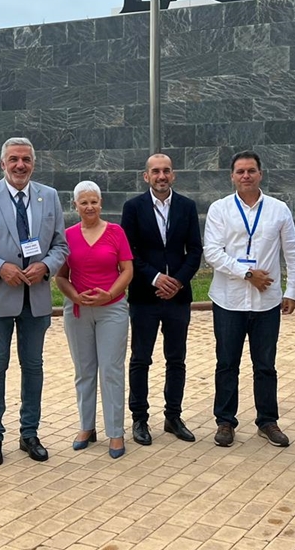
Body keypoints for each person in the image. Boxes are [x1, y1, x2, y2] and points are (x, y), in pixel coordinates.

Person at [0, 137, 69, 466]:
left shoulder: (49, 196)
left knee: (33, 367)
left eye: (26, 159)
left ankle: (29, 433)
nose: (20, 165)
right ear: (2, 164)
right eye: (14, 159)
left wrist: (46, 266)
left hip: (35, 299)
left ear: (33, 164)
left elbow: (61, 246)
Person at [203, 151, 295, 448]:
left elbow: (293, 252)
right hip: (228, 300)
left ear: (260, 174)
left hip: (266, 302)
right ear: (232, 176)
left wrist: (293, 291)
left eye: (251, 171)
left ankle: (267, 421)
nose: (245, 176)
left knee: (265, 365)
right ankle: (225, 421)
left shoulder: (278, 209)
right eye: (240, 171)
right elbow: (212, 252)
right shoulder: (220, 209)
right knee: (227, 363)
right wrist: (247, 273)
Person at [120, 153, 202, 445]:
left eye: (166, 170)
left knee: (176, 359)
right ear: (146, 176)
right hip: (145, 295)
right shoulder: (133, 207)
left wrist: (177, 281)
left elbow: (195, 250)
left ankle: (173, 416)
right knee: (141, 359)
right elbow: (129, 251)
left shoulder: (187, 206)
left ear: (173, 174)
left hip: (178, 296)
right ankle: (139, 418)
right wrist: (155, 277)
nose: (161, 176)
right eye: (155, 171)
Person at [55, 181, 134, 459]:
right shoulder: (67, 236)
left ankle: (115, 431)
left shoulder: (115, 232)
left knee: (111, 370)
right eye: (84, 202)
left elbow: (127, 270)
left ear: (101, 204)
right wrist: (75, 297)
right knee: (84, 370)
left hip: (112, 309)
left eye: (94, 202)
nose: (89, 207)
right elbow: (60, 276)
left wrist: (110, 294)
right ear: (75, 205)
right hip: (78, 311)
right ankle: (86, 427)